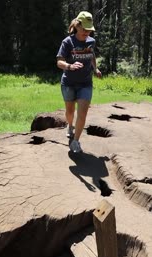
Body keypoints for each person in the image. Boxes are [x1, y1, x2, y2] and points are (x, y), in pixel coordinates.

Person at [56, 11, 102, 154]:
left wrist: (95, 68)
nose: (86, 32)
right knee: (70, 111)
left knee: (82, 113)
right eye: (84, 29)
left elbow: (92, 55)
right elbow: (59, 62)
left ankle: (75, 141)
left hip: (86, 83)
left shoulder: (91, 41)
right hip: (69, 83)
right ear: (77, 25)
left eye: (89, 30)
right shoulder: (68, 42)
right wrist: (69, 66)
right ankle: (70, 126)